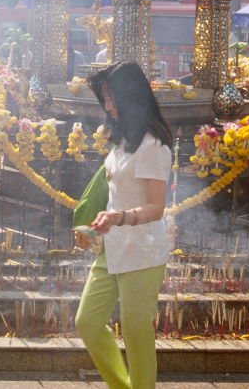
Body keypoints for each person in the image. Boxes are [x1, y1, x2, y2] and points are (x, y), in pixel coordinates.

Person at [75, 61, 173, 389]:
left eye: (113, 98)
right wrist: (93, 226)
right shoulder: (122, 141)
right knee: (87, 321)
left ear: (132, 98)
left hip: (143, 250)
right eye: (104, 98)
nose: (108, 106)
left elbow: (156, 207)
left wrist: (120, 217)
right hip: (112, 246)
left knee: (135, 331)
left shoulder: (152, 145)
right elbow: (113, 193)